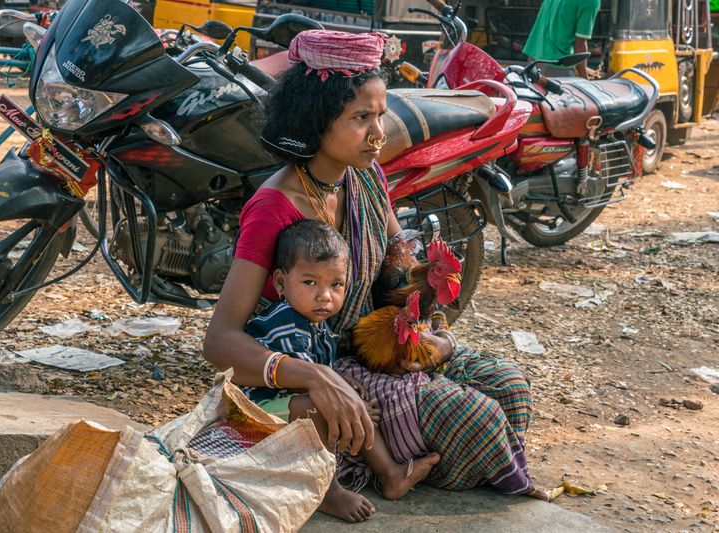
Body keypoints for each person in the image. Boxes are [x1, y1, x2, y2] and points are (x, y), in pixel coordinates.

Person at [203, 29, 535, 522]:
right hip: (312, 365)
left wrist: (428, 335)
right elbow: (220, 342)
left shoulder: (366, 178)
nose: (379, 133)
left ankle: (411, 450)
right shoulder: (274, 207)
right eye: (361, 118)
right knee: (478, 418)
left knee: (510, 385)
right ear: (316, 121)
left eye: (380, 115)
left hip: (366, 352)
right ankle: (380, 463)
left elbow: (395, 282)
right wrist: (316, 378)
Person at [243, 219, 440, 502]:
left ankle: (391, 474)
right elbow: (307, 383)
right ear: (280, 283)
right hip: (254, 415)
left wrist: (348, 388)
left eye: (336, 285)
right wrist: (347, 399)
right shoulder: (285, 323)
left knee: (352, 399)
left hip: (285, 407)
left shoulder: (315, 322)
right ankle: (327, 491)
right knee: (329, 407)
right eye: (310, 282)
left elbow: (322, 374)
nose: (324, 296)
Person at [522, 0, 600, 78]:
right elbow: (580, 44)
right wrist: (584, 79)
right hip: (558, 64)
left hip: (534, 56)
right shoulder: (591, 2)